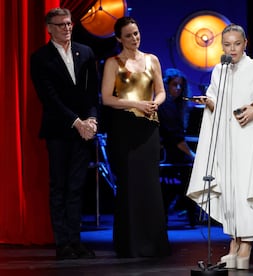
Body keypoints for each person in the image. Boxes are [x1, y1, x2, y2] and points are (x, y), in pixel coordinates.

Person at [186, 23, 253, 270]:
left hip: (249, 141)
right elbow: (217, 103)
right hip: (227, 143)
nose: (232, 49)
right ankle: (234, 243)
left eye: (237, 44)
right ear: (222, 46)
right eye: (227, 44)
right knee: (231, 193)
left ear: (245, 44)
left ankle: (246, 248)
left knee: (245, 192)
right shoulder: (219, 71)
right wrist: (208, 103)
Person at [30, 8, 98, 260]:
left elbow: (92, 91)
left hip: (84, 131)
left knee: (78, 187)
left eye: (69, 24)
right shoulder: (40, 58)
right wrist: (76, 122)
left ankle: (76, 240)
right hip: (59, 130)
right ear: (49, 28)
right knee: (59, 186)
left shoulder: (86, 52)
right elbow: (49, 98)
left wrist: (91, 119)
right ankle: (63, 243)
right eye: (60, 25)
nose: (67, 28)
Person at [100, 16, 171, 258]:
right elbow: (107, 98)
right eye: (129, 35)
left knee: (150, 185)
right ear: (119, 38)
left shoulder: (152, 59)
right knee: (129, 184)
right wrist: (136, 103)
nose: (134, 38)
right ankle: (130, 244)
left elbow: (161, 91)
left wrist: (154, 103)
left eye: (137, 33)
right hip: (124, 128)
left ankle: (154, 243)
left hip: (149, 127)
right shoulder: (113, 63)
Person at [158, 68, 197, 227]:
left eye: (181, 86)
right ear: (167, 85)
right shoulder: (165, 106)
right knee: (189, 176)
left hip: (172, 154)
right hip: (167, 156)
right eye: (175, 85)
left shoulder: (174, 106)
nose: (178, 89)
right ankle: (191, 215)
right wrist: (193, 156)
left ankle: (189, 214)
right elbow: (177, 140)